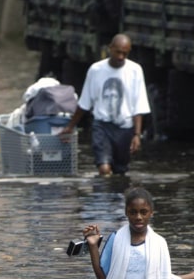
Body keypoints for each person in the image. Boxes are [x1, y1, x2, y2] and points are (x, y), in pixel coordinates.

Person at [83, 187, 194, 279]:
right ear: (126, 213)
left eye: (143, 212)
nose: (138, 217)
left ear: (151, 213)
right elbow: (101, 276)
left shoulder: (159, 243)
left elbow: (165, 278)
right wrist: (93, 246)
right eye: (133, 212)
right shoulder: (116, 239)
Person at [60, 34, 150, 176]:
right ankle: (103, 197)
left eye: (125, 53)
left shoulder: (135, 70)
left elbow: (138, 105)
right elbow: (84, 102)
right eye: (118, 52)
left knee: (120, 171)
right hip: (102, 126)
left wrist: (137, 135)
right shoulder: (96, 70)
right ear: (110, 49)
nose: (121, 57)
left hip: (125, 128)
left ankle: (116, 196)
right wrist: (70, 127)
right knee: (104, 169)